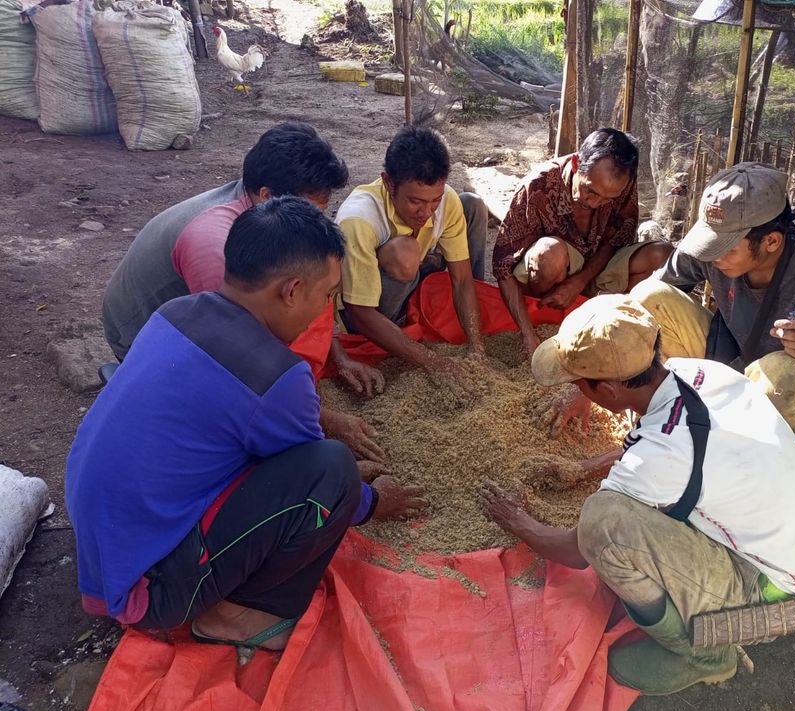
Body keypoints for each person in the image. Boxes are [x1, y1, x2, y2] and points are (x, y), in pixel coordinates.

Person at [68, 197, 426, 651]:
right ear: (292, 290)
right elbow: (316, 479)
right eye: (327, 295)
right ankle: (238, 616)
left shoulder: (179, 312)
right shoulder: (276, 376)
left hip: (103, 554)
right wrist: (374, 501)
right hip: (150, 588)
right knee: (334, 466)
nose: (325, 309)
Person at [479, 294, 795, 694]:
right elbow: (666, 442)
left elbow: (576, 550)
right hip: (792, 554)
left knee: (602, 523)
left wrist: (517, 521)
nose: (574, 391)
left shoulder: (657, 458)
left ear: (608, 391)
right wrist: (584, 469)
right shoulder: (699, 372)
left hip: (767, 593)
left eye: (578, 385)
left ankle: (704, 655)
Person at [101, 121, 385, 461]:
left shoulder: (257, 215)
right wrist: (326, 421)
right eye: (307, 211)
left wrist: (338, 357)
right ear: (267, 197)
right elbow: (238, 365)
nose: (314, 223)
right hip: (138, 334)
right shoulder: (216, 250)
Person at [638, 161, 795, 434]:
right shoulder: (712, 251)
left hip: (786, 394)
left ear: (771, 241)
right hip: (725, 361)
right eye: (708, 243)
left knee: (787, 385)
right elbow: (643, 305)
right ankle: (681, 408)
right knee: (647, 298)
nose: (713, 257)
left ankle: (730, 442)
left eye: (725, 249)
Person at [336, 126, 489, 399]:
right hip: (369, 312)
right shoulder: (358, 220)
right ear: (388, 182)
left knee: (471, 204)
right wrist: (432, 362)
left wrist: (476, 347)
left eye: (435, 201)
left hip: (414, 279)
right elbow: (359, 312)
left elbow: (462, 279)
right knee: (406, 252)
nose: (427, 213)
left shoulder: (446, 202)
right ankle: (401, 321)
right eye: (415, 202)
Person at [492, 128, 672, 357]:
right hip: (549, 279)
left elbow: (615, 241)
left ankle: (614, 328)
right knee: (550, 255)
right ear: (577, 163)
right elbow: (503, 266)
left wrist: (578, 282)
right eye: (590, 191)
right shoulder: (539, 185)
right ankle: (545, 318)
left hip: (595, 271)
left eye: (609, 198)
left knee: (662, 256)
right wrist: (527, 334)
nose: (597, 203)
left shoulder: (622, 184)